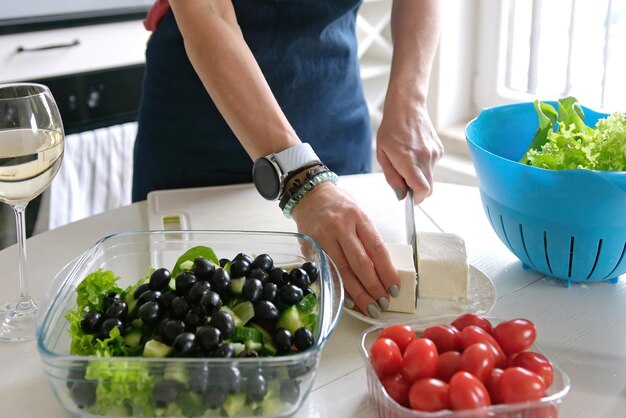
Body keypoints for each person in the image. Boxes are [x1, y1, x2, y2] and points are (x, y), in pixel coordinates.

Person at [133, 0, 443, 319]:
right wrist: (303, 180)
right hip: (201, 122)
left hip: (331, 108)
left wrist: (411, 99)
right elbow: (210, 13)